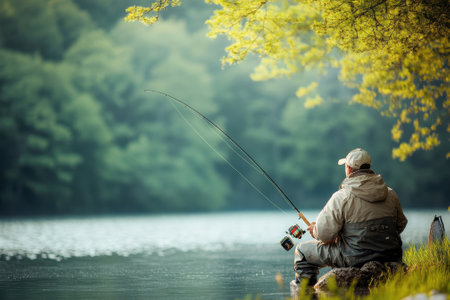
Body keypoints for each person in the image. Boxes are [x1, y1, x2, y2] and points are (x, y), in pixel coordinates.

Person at [292, 148, 408, 286]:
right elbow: (400, 224)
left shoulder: (341, 197)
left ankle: (305, 293)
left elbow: (323, 235)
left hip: (354, 258)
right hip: (391, 255)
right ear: (368, 167)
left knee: (302, 251)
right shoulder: (391, 194)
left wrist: (314, 230)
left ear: (348, 168)